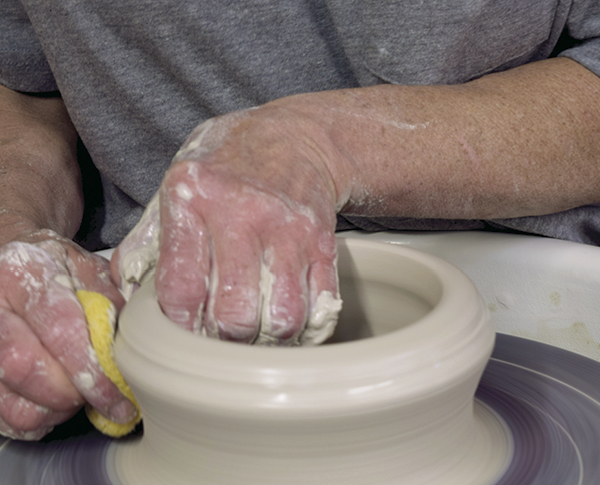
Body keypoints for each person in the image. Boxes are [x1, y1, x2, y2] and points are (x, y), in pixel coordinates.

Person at [0, 1, 599, 440]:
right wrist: (14, 230)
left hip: (533, 318)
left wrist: (327, 143)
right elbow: (24, 88)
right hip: (150, 325)